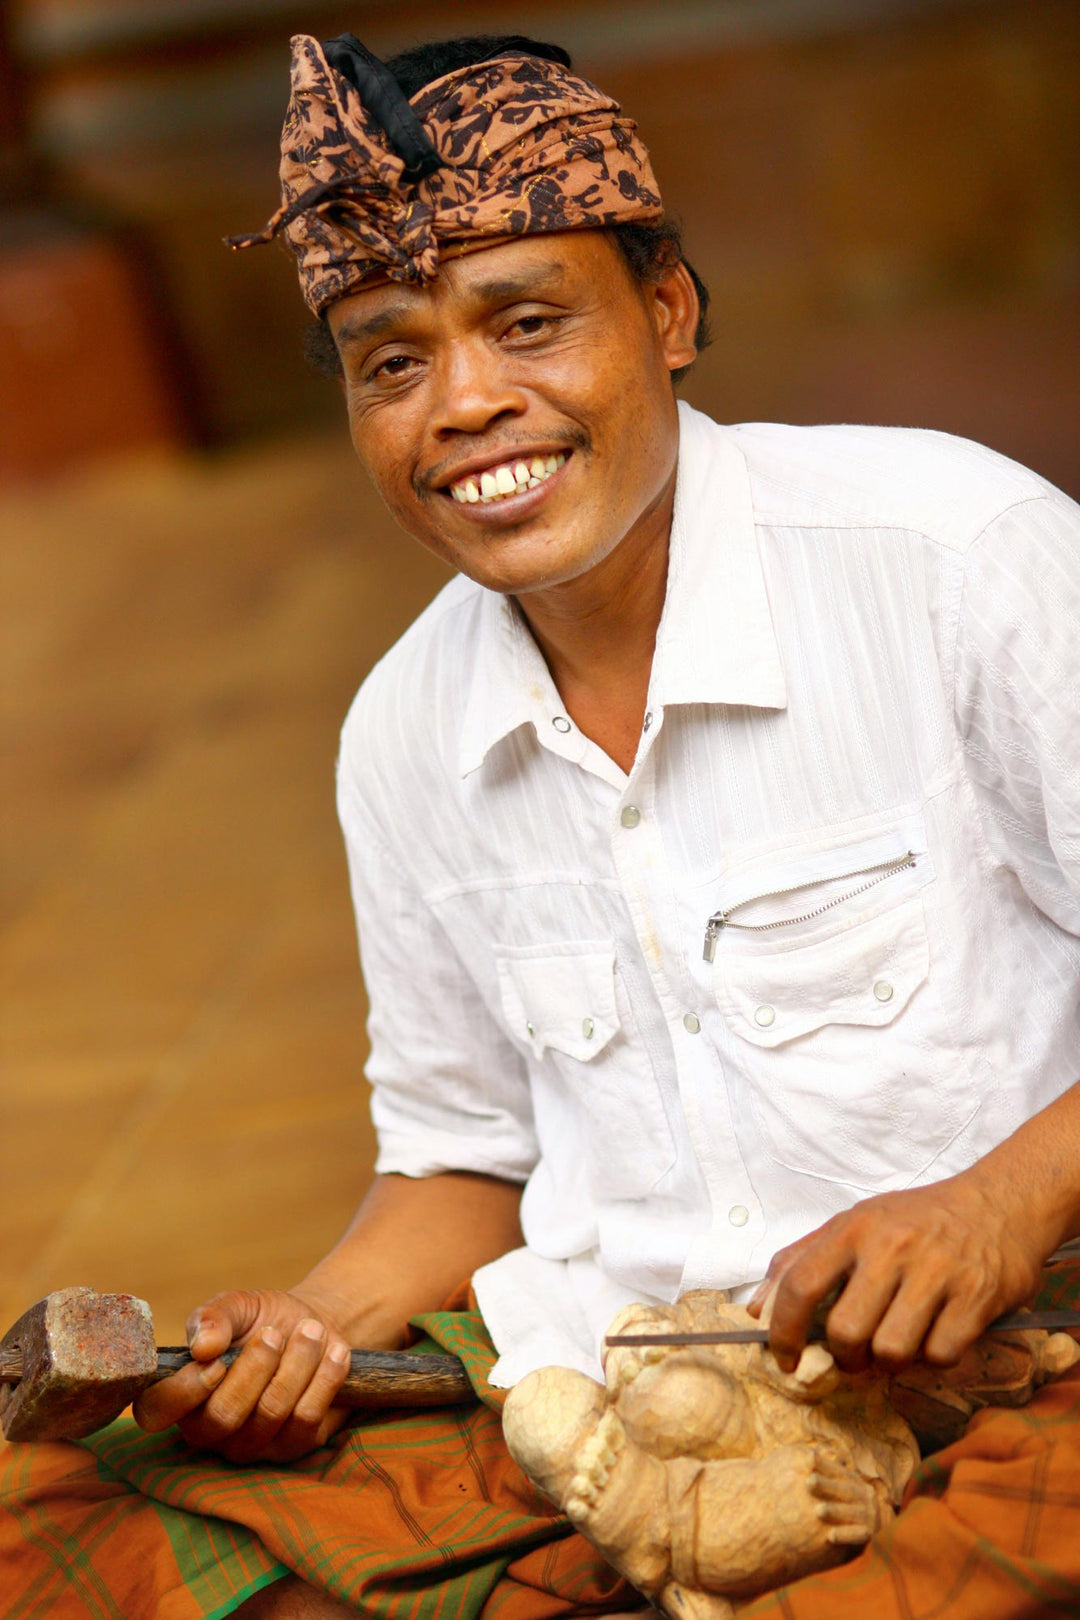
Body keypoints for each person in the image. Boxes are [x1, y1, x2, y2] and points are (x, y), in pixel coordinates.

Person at [3, 28, 1080, 1620]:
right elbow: (461, 1160)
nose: (467, 406)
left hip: (1015, 1358)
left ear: (670, 313)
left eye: (527, 322)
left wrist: (999, 1199)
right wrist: (309, 1322)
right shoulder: (401, 734)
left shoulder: (956, 560)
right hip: (608, 1393)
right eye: (391, 359)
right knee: (64, 1534)